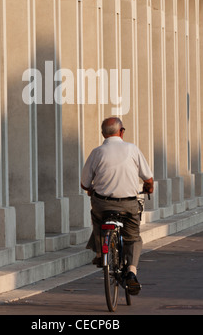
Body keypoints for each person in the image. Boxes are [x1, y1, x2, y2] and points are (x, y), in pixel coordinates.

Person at [81, 117, 153, 295]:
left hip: (102, 203)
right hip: (128, 204)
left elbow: (84, 183)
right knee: (133, 237)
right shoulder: (132, 149)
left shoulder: (97, 152)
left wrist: (91, 189)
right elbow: (148, 177)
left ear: (103, 134)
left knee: (97, 218)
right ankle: (131, 272)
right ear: (121, 131)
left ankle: (100, 253)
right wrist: (148, 188)